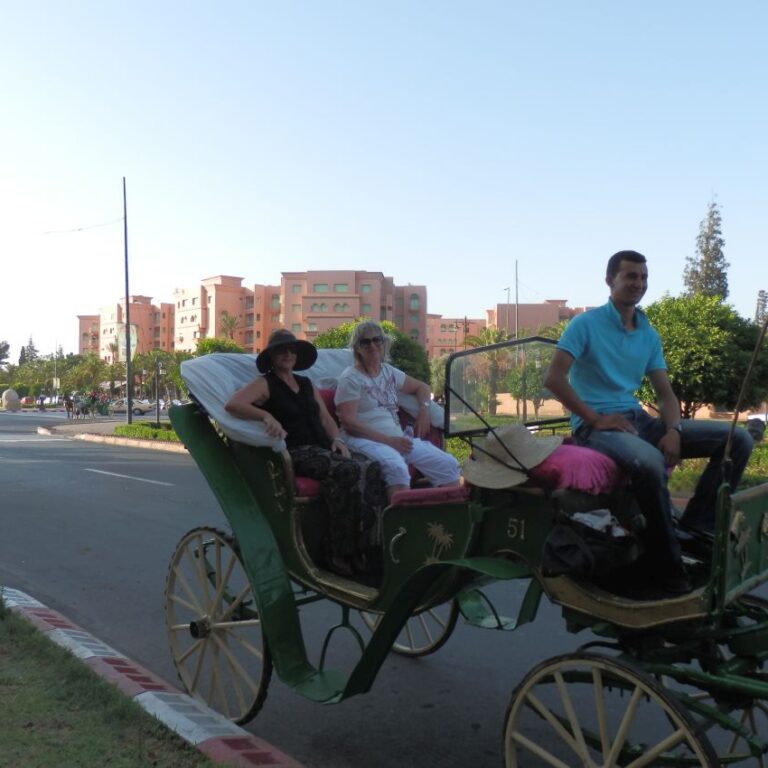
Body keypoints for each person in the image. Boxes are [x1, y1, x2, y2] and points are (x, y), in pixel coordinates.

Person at [545, 250, 754, 596]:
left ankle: (696, 527)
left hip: (637, 420)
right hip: (595, 427)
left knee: (739, 439)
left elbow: (666, 394)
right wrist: (595, 418)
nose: (638, 284)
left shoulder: (647, 332)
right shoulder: (585, 324)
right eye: (630, 276)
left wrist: (674, 430)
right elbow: (554, 379)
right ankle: (667, 565)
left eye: (643, 277)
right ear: (610, 280)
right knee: (650, 462)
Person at [225, 329, 386, 577]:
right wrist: (265, 415)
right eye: (281, 350)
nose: (288, 354)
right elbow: (234, 404)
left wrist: (338, 440)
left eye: (292, 350)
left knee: (374, 467)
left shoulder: (306, 383)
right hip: (296, 451)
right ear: (272, 356)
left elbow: (324, 417)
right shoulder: (265, 383)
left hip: (322, 447)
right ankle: (338, 552)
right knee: (348, 470)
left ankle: (369, 546)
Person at [334, 321, 460, 500]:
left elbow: (422, 387)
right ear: (357, 348)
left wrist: (424, 412)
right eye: (365, 342)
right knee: (397, 468)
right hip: (361, 439)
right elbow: (349, 423)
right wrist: (390, 441)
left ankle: (445, 519)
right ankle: (399, 525)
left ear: (384, 343)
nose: (372, 345)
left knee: (448, 464)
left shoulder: (388, 372)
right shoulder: (350, 378)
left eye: (377, 340)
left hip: (396, 439)